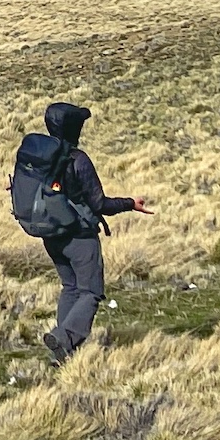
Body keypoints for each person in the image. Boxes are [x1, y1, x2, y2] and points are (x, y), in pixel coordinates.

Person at [36, 101, 149, 364]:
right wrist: (130, 204)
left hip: (51, 234)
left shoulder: (41, 156)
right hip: (79, 235)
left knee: (71, 287)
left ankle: (62, 352)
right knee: (91, 291)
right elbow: (99, 204)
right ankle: (63, 338)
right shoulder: (78, 160)